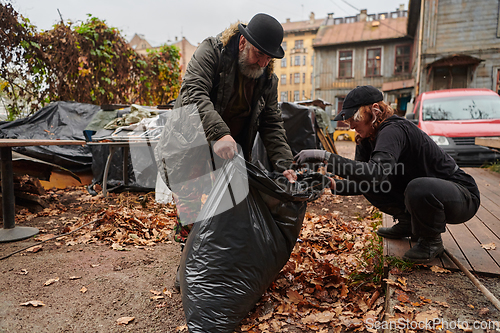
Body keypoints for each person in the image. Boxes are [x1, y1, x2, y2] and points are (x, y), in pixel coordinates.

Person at [169, 13, 297, 289]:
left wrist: (284, 163)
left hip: (229, 151)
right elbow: (194, 93)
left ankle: (218, 263)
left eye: (268, 58)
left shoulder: (266, 80)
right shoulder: (211, 53)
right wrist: (219, 133)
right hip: (191, 141)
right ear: (242, 43)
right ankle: (189, 267)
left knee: (228, 207)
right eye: (259, 54)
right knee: (190, 207)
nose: (263, 63)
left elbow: (272, 123)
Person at [294, 85, 480, 264]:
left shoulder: (394, 129)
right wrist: (330, 183)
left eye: (354, 118)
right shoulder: (366, 139)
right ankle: (409, 223)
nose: (351, 126)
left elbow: (374, 174)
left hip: (462, 195)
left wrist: (325, 157)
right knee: (371, 181)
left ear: (375, 110)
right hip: (426, 194)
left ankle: (431, 241)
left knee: (417, 187)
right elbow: (365, 180)